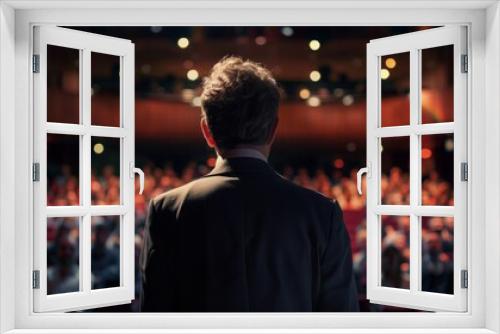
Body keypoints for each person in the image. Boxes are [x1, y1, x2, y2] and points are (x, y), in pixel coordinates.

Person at [140, 56, 359, 312]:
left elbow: (156, 319)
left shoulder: (167, 210)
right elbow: (341, 320)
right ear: (273, 130)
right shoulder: (322, 214)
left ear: (206, 131)